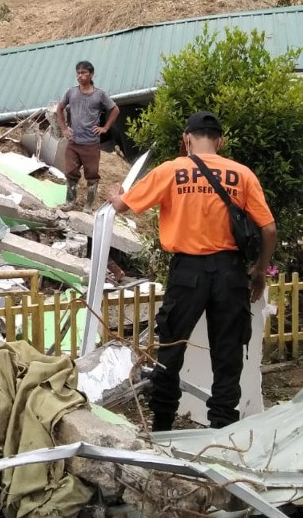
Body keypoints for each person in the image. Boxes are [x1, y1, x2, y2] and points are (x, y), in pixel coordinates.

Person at [110, 111, 276, 430]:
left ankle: (161, 427)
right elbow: (268, 229)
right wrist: (257, 271)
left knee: (171, 349)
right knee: (227, 355)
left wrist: (116, 195)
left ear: (187, 138)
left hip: (187, 273)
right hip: (230, 274)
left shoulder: (172, 170)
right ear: (220, 141)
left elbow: (122, 206)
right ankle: (223, 431)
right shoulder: (242, 175)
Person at [56, 60, 119, 210]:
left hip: (91, 143)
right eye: (78, 73)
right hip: (74, 141)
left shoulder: (99, 94)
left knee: (92, 174)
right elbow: (59, 109)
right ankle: (70, 202)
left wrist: (105, 128)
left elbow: (115, 110)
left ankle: (88, 206)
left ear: (91, 74)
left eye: (84, 73)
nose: (80, 76)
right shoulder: (71, 92)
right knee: (70, 172)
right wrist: (64, 128)